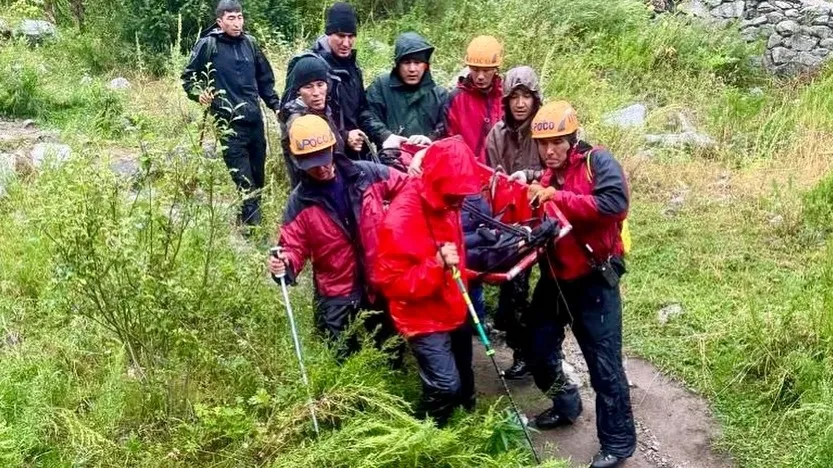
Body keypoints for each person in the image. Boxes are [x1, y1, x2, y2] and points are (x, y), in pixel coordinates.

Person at [526, 101, 636, 468]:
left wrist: (560, 198)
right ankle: (566, 402)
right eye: (543, 144)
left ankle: (618, 444)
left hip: (593, 281)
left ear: (572, 138)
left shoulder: (597, 163)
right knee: (537, 349)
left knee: (604, 367)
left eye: (557, 142)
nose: (549, 151)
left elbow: (614, 204)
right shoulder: (543, 176)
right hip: (556, 278)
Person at [267, 115, 408, 360]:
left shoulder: (367, 174)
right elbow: (292, 246)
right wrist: (285, 263)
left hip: (380, 280)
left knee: (391, 354)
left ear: (333, 147)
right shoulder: (299, 203)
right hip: (336, 291)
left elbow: (410, 189)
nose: (321, 167)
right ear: (298, 160)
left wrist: (397, 223)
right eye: (311, 162)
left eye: (323, 158)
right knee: (340, 359)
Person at [375, 137, 481, 427]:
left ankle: (462, 434)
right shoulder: (400, 220)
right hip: (420, 315)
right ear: (437, 182)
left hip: (452, 303)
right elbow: (392, 285)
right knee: (445, 386)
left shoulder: (448, 202)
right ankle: (423, 436)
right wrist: (435, 265)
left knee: (465, 383)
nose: (461, 200)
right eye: (455, 194)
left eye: (463, 193)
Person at [181, 0, 280, 228]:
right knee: (244, 182)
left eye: (240, 17)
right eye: (231, 18)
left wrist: (275, 105)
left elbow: (265, 81)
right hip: (229, 124)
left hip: (254, 122)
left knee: (258, 179)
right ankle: (255, 234)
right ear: (220, 21)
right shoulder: (208, 45)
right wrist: (199, 94)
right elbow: (188, 78)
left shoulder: (251, 44)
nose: (237, 23)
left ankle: (244, 221)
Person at [484, 65, 545, 379]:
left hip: (547, 220)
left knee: (550, 298)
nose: (520, 103)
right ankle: (524, 353)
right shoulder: (497, 134)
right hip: (511, 222)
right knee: (512, 295)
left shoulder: (546, 129)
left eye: (526, 96)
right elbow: (489, 175)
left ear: (536, 99)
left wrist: (530, 177)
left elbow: (561, 169)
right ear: (505, 100)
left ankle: (543, 357)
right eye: (514, 97)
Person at [362, 32, 448, 148]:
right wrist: (386, 136)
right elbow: (367, 115)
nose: (412, 69)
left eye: (417, 63)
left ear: (426, 65)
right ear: (397, 65)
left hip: (428, 157)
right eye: (406, 63)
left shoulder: (439, 94)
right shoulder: (381, 86)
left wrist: (430, 138)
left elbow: (448, 125)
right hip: (391, 158)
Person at [279, 53, 348, 187]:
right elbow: (308, 167)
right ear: (298, 91)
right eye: (308, 87)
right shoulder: (297, 121)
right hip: (315, 189)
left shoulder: (322, 108)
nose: (316, 92)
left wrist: (346, 136)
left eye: (320, 84)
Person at [312, 2, 368, 159]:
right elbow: (303, 117)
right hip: (325, 156)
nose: (346, 43)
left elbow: (362, 108)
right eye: (341, 36)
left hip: (356, 150)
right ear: (329, 34)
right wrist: (343, 136)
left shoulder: (354, 66)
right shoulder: (312, 65)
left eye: (351, 36)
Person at [444, 35, 504, 164]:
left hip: (500, 171)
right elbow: (448, 138)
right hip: (465, 169)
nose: (480, 76)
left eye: (486, 70)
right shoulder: (457, 98)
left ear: (496, 69)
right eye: (475, 70)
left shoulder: (506, 97)